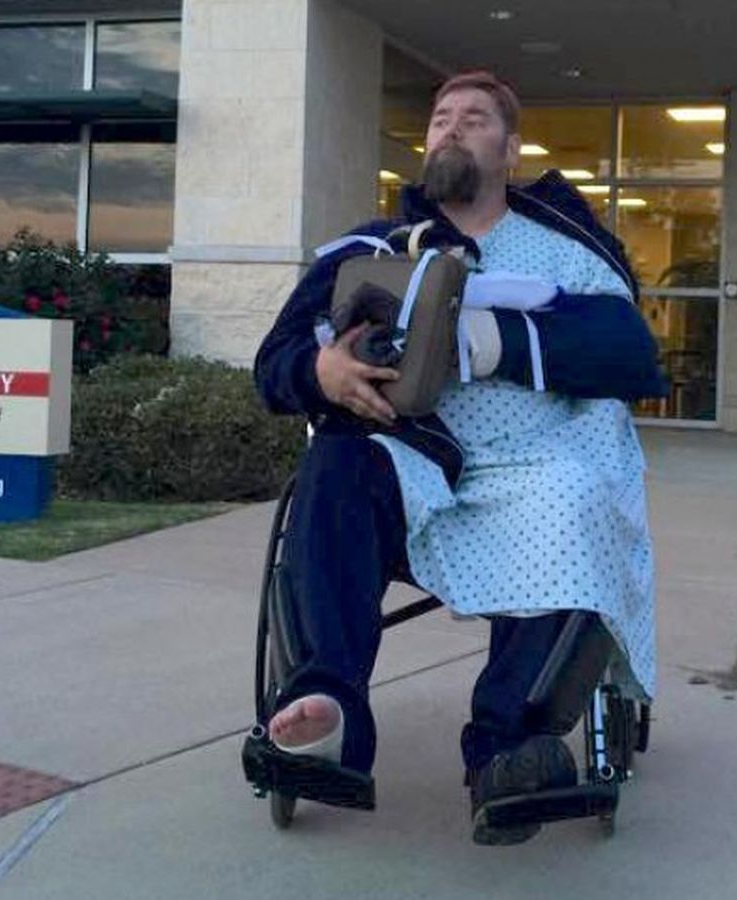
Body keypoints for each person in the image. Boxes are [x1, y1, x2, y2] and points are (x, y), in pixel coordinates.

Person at [253, 70, 665, 845]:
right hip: (409, 463)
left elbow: (629, 354)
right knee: (335, 463)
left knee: (576, 493)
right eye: (441, 118)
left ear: (511, 150)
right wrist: (322, 372)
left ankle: (508, 746)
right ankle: (330, 706)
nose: (450, 127)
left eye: (475, 119)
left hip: (534, 465)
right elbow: (272, 363)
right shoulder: (371, 249)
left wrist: (492, 339)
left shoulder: (563, 250)